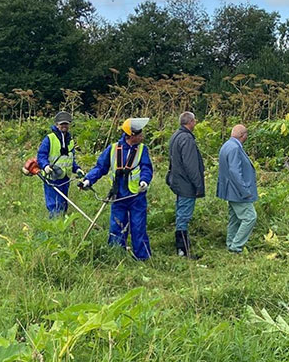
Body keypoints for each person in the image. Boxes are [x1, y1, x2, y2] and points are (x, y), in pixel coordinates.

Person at [79, 118, 153, 261]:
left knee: (138, 227)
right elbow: (101, 167)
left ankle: (143, 257)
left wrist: (144, 181)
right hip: (118, 195)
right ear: (131, 135)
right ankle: (116, 256)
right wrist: (88, 180)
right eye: (140, 134)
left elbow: (146, 168)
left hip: (136, 196)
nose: (142, 136)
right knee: (117, 227)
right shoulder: (112, 149)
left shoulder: (143, 149)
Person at [167, 111, 204, 258]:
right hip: (186, 184)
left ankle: (182, 247)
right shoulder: (187, 139)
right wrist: (198, 184)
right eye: (194, 121)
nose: (195, 123)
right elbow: (191, 165)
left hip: (178, 180)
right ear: (190, 122)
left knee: (181, 213)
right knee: (184, 216)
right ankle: (182, 250)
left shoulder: (175, 136)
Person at [217, 124, 258, 253]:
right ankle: (236, 245)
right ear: (243, 136)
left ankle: (231, 243)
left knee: (234, 218)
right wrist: (245, 191)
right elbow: (235, 172)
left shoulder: (227, 145)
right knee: (250, 217)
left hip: (229, 190)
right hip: (237, 191)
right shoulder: (235, 148)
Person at [37, 111, 84, 217]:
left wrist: (76, 169)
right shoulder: (49, 139)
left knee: (63, 203)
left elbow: (70, 159)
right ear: (57, 124)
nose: (64, 126)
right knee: (54, 204)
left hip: (65, 178)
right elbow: (41, 155)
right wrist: (45, 166)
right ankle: (55, 227)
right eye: (62, 124)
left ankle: (62, 225)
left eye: (66, 124)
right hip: (52, 176)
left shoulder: (70, 141)